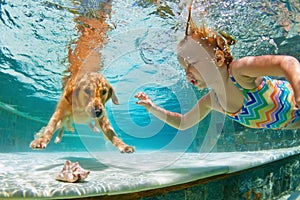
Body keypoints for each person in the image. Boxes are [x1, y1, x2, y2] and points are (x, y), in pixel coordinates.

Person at [134, 4, 300, 130]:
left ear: (218, 58)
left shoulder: (239, 72)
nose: (187, 73)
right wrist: (152, 107)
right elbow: (183, 122)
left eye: (191, 64)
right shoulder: (212, 101)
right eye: (184, 68)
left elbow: (288, 63)